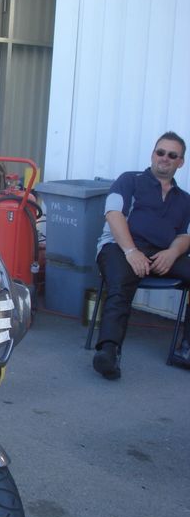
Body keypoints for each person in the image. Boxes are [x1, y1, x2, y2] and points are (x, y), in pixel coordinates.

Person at [92, 132, 190, 379]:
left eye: (172, 155)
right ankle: (108, 352)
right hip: (119, 247)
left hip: (161, 254)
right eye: (160, 152)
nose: (165, 158)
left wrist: (172, 253)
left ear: (180, 162)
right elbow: (114, 214)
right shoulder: (129, 180)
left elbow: (185, 235)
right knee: (120, 283)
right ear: (152, 154)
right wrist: (131, 251)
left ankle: (187, 348)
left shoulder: (185, 199)